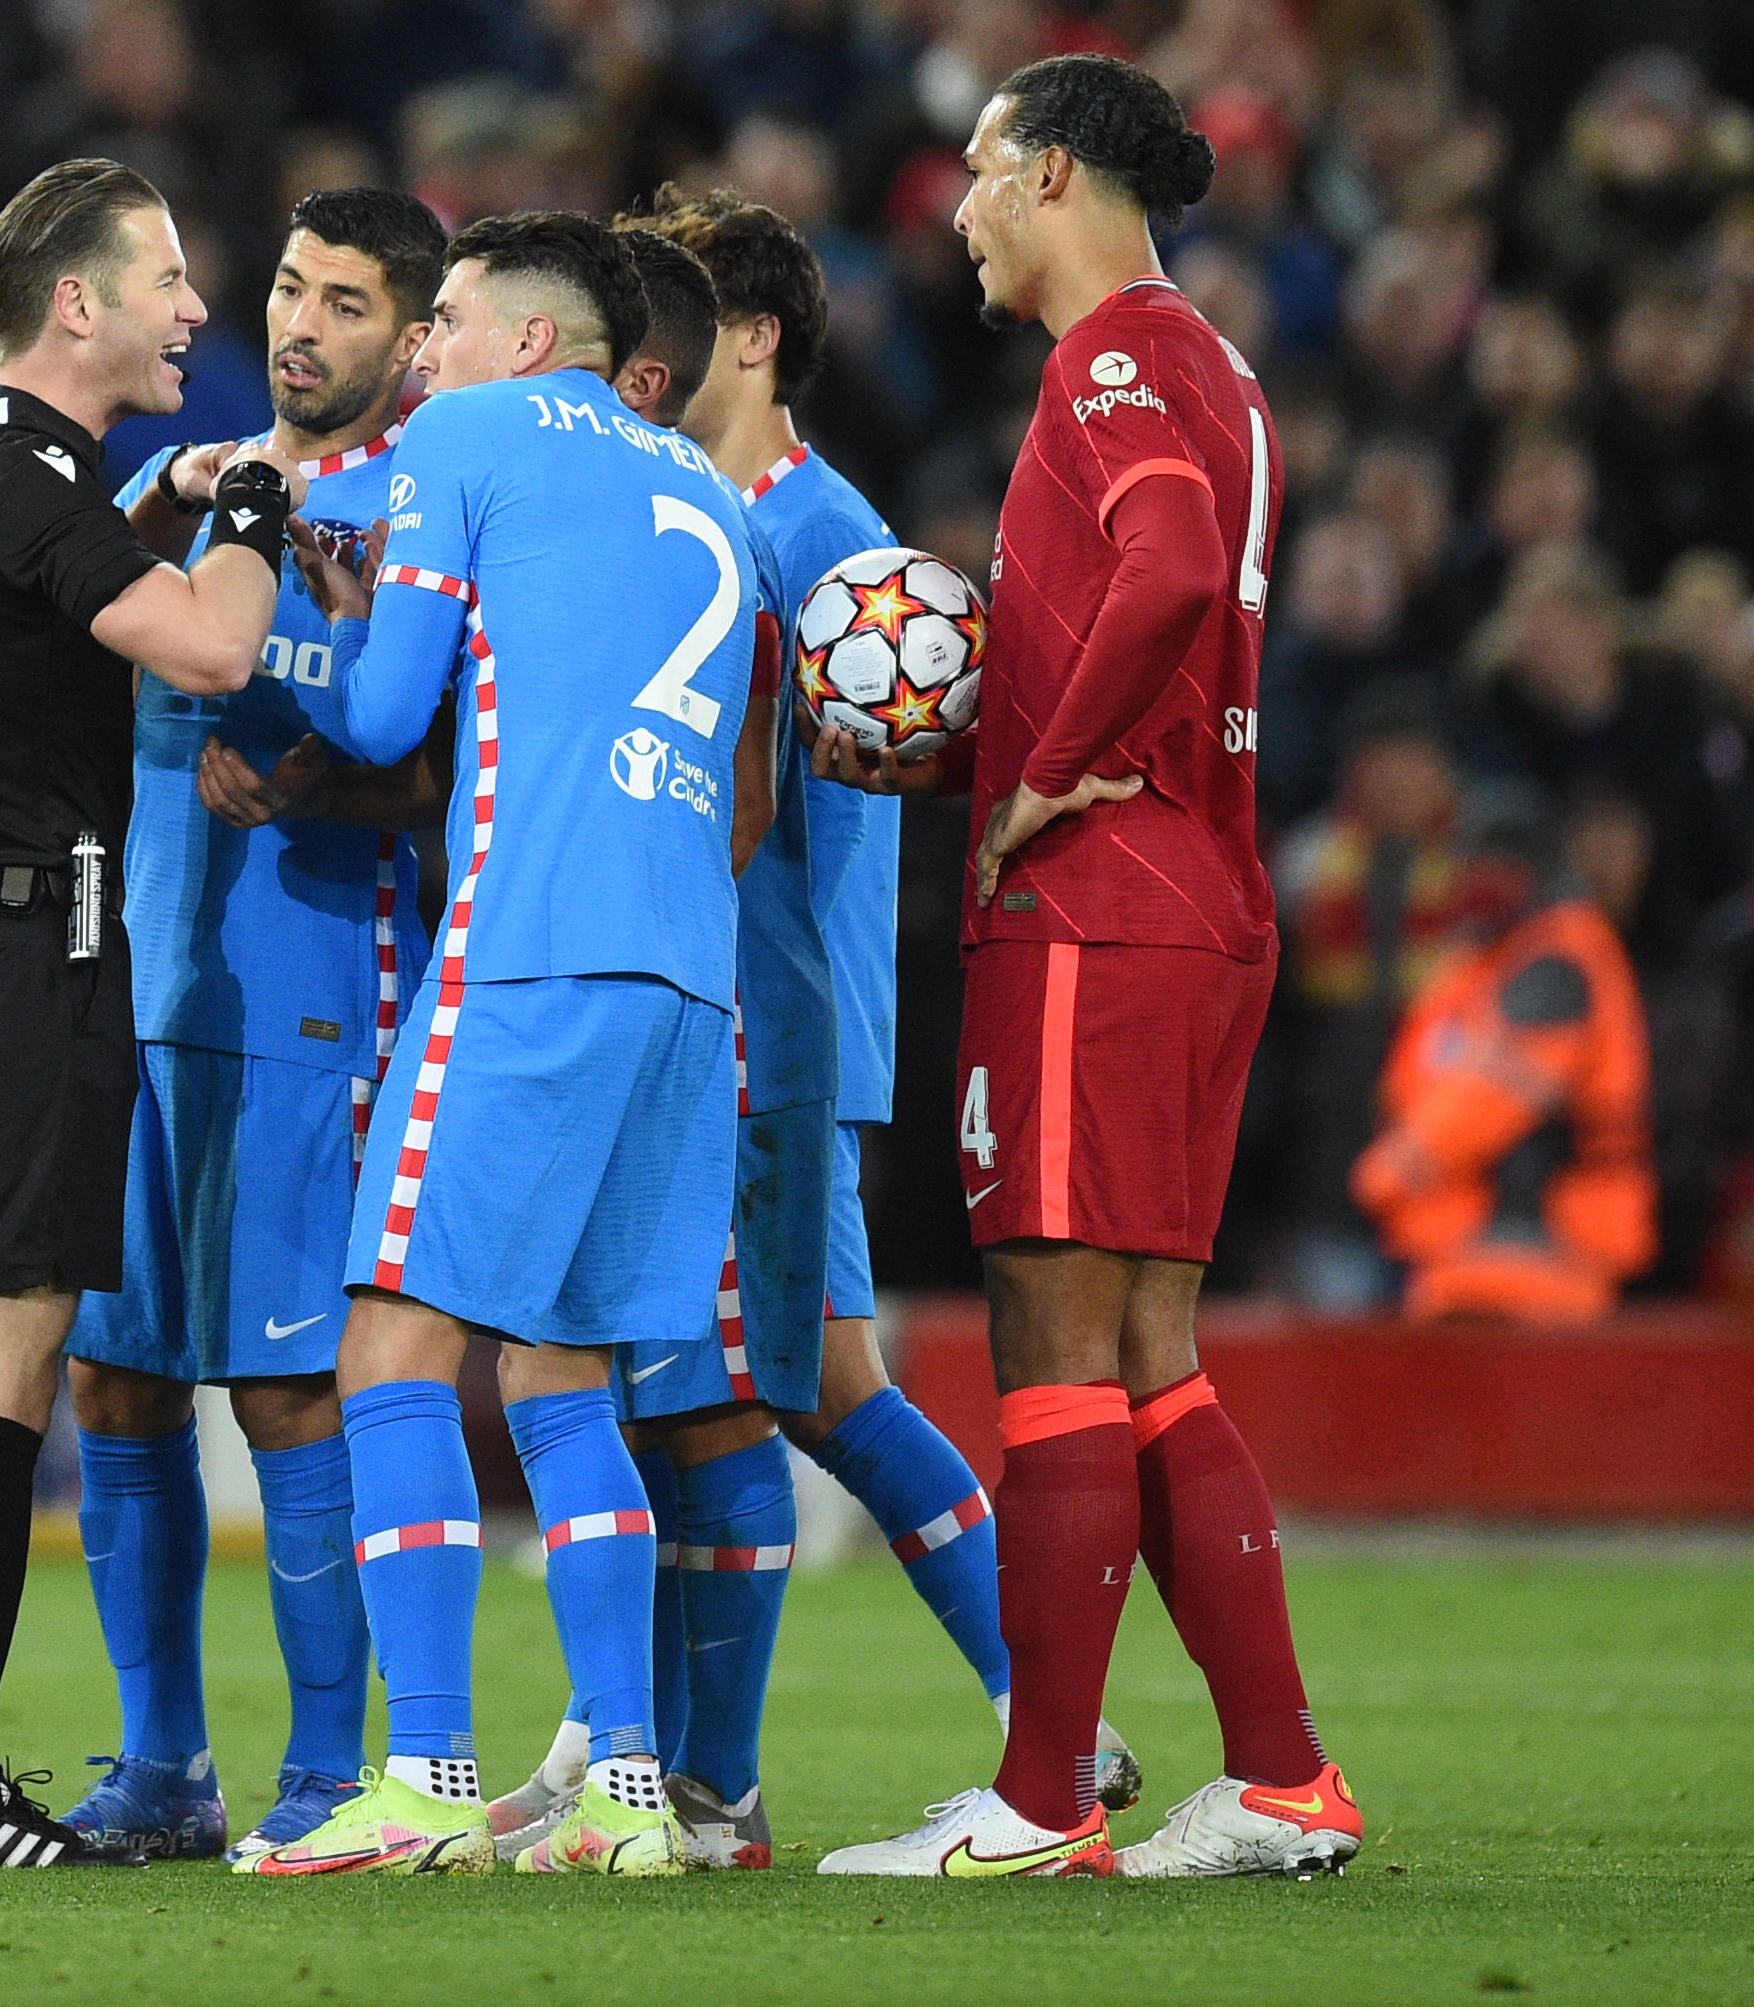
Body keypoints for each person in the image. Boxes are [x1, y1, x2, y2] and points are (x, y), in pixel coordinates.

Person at [493, 186, 1142, 1861]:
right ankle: (989, 1724)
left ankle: (724, 1780)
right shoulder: (697, 505)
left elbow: (833, 769)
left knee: (733, 1399)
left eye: (675, 317)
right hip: (741, 1022)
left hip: (761, 1022)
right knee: (793, 1386)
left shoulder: (817, 534)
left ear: (753, 336)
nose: (642, 349)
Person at [811, 54, 1359, 1878]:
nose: (955, 212)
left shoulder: (1108, 358)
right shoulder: (1212, 364)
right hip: (1196, 902)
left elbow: (1169, 566)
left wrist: (1040, 773)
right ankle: (1277, 1776)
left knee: (1053, 1340)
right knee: (1144, 1351)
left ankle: (1041, 1800)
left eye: (972, 173)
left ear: (1047, 174)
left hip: (1092, 909)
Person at [255, 211, 757, 1880]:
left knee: (388, 1347)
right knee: (560, 1367)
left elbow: (385, 714)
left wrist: (298, 658)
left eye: (450, 318)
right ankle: (626, 1794)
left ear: (529, 342)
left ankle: (429, 1784)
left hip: (523, 946)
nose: (425, 348)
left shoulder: (464, 434)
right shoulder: (705, 490)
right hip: (686, 978)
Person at [0, 158, 290, 1872]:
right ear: (77, 303)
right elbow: (206, 651)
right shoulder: (29, 475)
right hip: (15, 953)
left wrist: (157, 502)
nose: (195, 308)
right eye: (168, 278)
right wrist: (242, 514)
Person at [60, 187, 449, 1868]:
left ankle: (314, 1773)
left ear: (409, 336)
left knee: (286, 1392)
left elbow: (458, 766)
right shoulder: (181, 485)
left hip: (313, 1000)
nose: (298, 322)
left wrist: (324, 776)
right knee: (116, 1380)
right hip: (133, 988)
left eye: (344, 301)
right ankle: (163, 1765)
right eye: (288, 285)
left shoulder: (427, 512)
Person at [1352, 800, 1656, 1321]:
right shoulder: (1497, 953)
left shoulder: (1557, 960)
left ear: (1531, 873)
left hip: (1537, 1241)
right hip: (1476, 1239)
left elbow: (1488, 1099)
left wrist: (1386, 1173)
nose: (1474, 882)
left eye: (1492, 868)